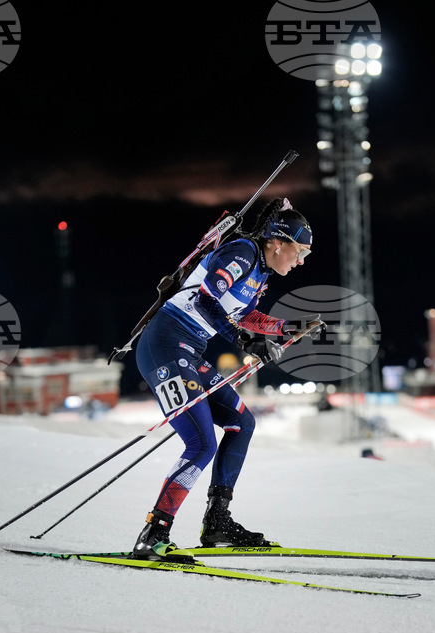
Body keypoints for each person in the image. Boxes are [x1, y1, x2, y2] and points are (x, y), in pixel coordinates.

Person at [131, 197, 321, 561]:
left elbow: (246, 316)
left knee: (241, 422)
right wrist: (245, 340)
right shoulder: (243, 252)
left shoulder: (260, 274)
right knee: (201, 444)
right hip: (165, 347)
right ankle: (153, 534)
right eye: (300, 252)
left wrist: (288, 327)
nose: (300, 262)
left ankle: (217, 520)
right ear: (277, 242)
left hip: (190, 352)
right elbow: (206, 299)